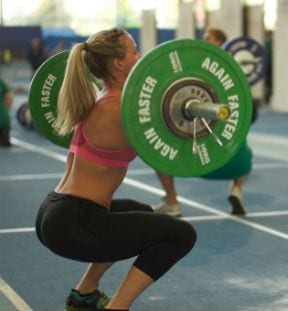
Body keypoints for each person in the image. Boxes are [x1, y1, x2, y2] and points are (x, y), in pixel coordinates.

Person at [34, 28, 196, 311]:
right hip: (75, 224)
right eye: (134, 50)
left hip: (54, 212)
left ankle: (84, 296)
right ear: (118, 63)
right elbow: (173, 143)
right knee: (181, 234)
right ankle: (118, 307)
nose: (140, 55)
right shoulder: (122, 108)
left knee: (142, 212)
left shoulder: (100, 98)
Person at [153, 27, 255, 217]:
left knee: (157, 154)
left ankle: (172, 201)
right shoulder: (230, 72)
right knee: (246, 155)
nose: (203, 40)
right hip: (228, 159)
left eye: (208, 38)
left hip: (196, 158)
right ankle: (237, 190)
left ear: (220, 42)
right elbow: (249, 113)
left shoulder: (201, 67)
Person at [0, 77, 14, 147]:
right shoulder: (1, 82)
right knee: (5, 144)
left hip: (3, 121)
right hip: (4, 122)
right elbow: (9, 99)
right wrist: (6, 111)